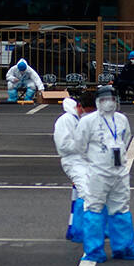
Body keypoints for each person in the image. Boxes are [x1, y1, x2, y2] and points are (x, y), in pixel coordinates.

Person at [74, 86, 134, 262]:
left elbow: (126, 139)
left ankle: (123, 248)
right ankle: (94, 250)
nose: (108, 102)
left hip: (119, 172)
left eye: (111, 98)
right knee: (94, 207)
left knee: (121, 208)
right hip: (98, 172)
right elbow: (80, 145)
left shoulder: (121, 119)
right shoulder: (88, 121)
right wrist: (96, 160)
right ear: (97, 102)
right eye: (103, 99)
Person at [53, 92, 96, 243]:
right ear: (79, 106)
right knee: (86, 193)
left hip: (86, 159)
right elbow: (63, 146)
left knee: (97, 192)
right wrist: (84, 146)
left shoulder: (82, 118)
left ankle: (92, 228)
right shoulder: (65, 120)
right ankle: (85, 229)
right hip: (73, 160)